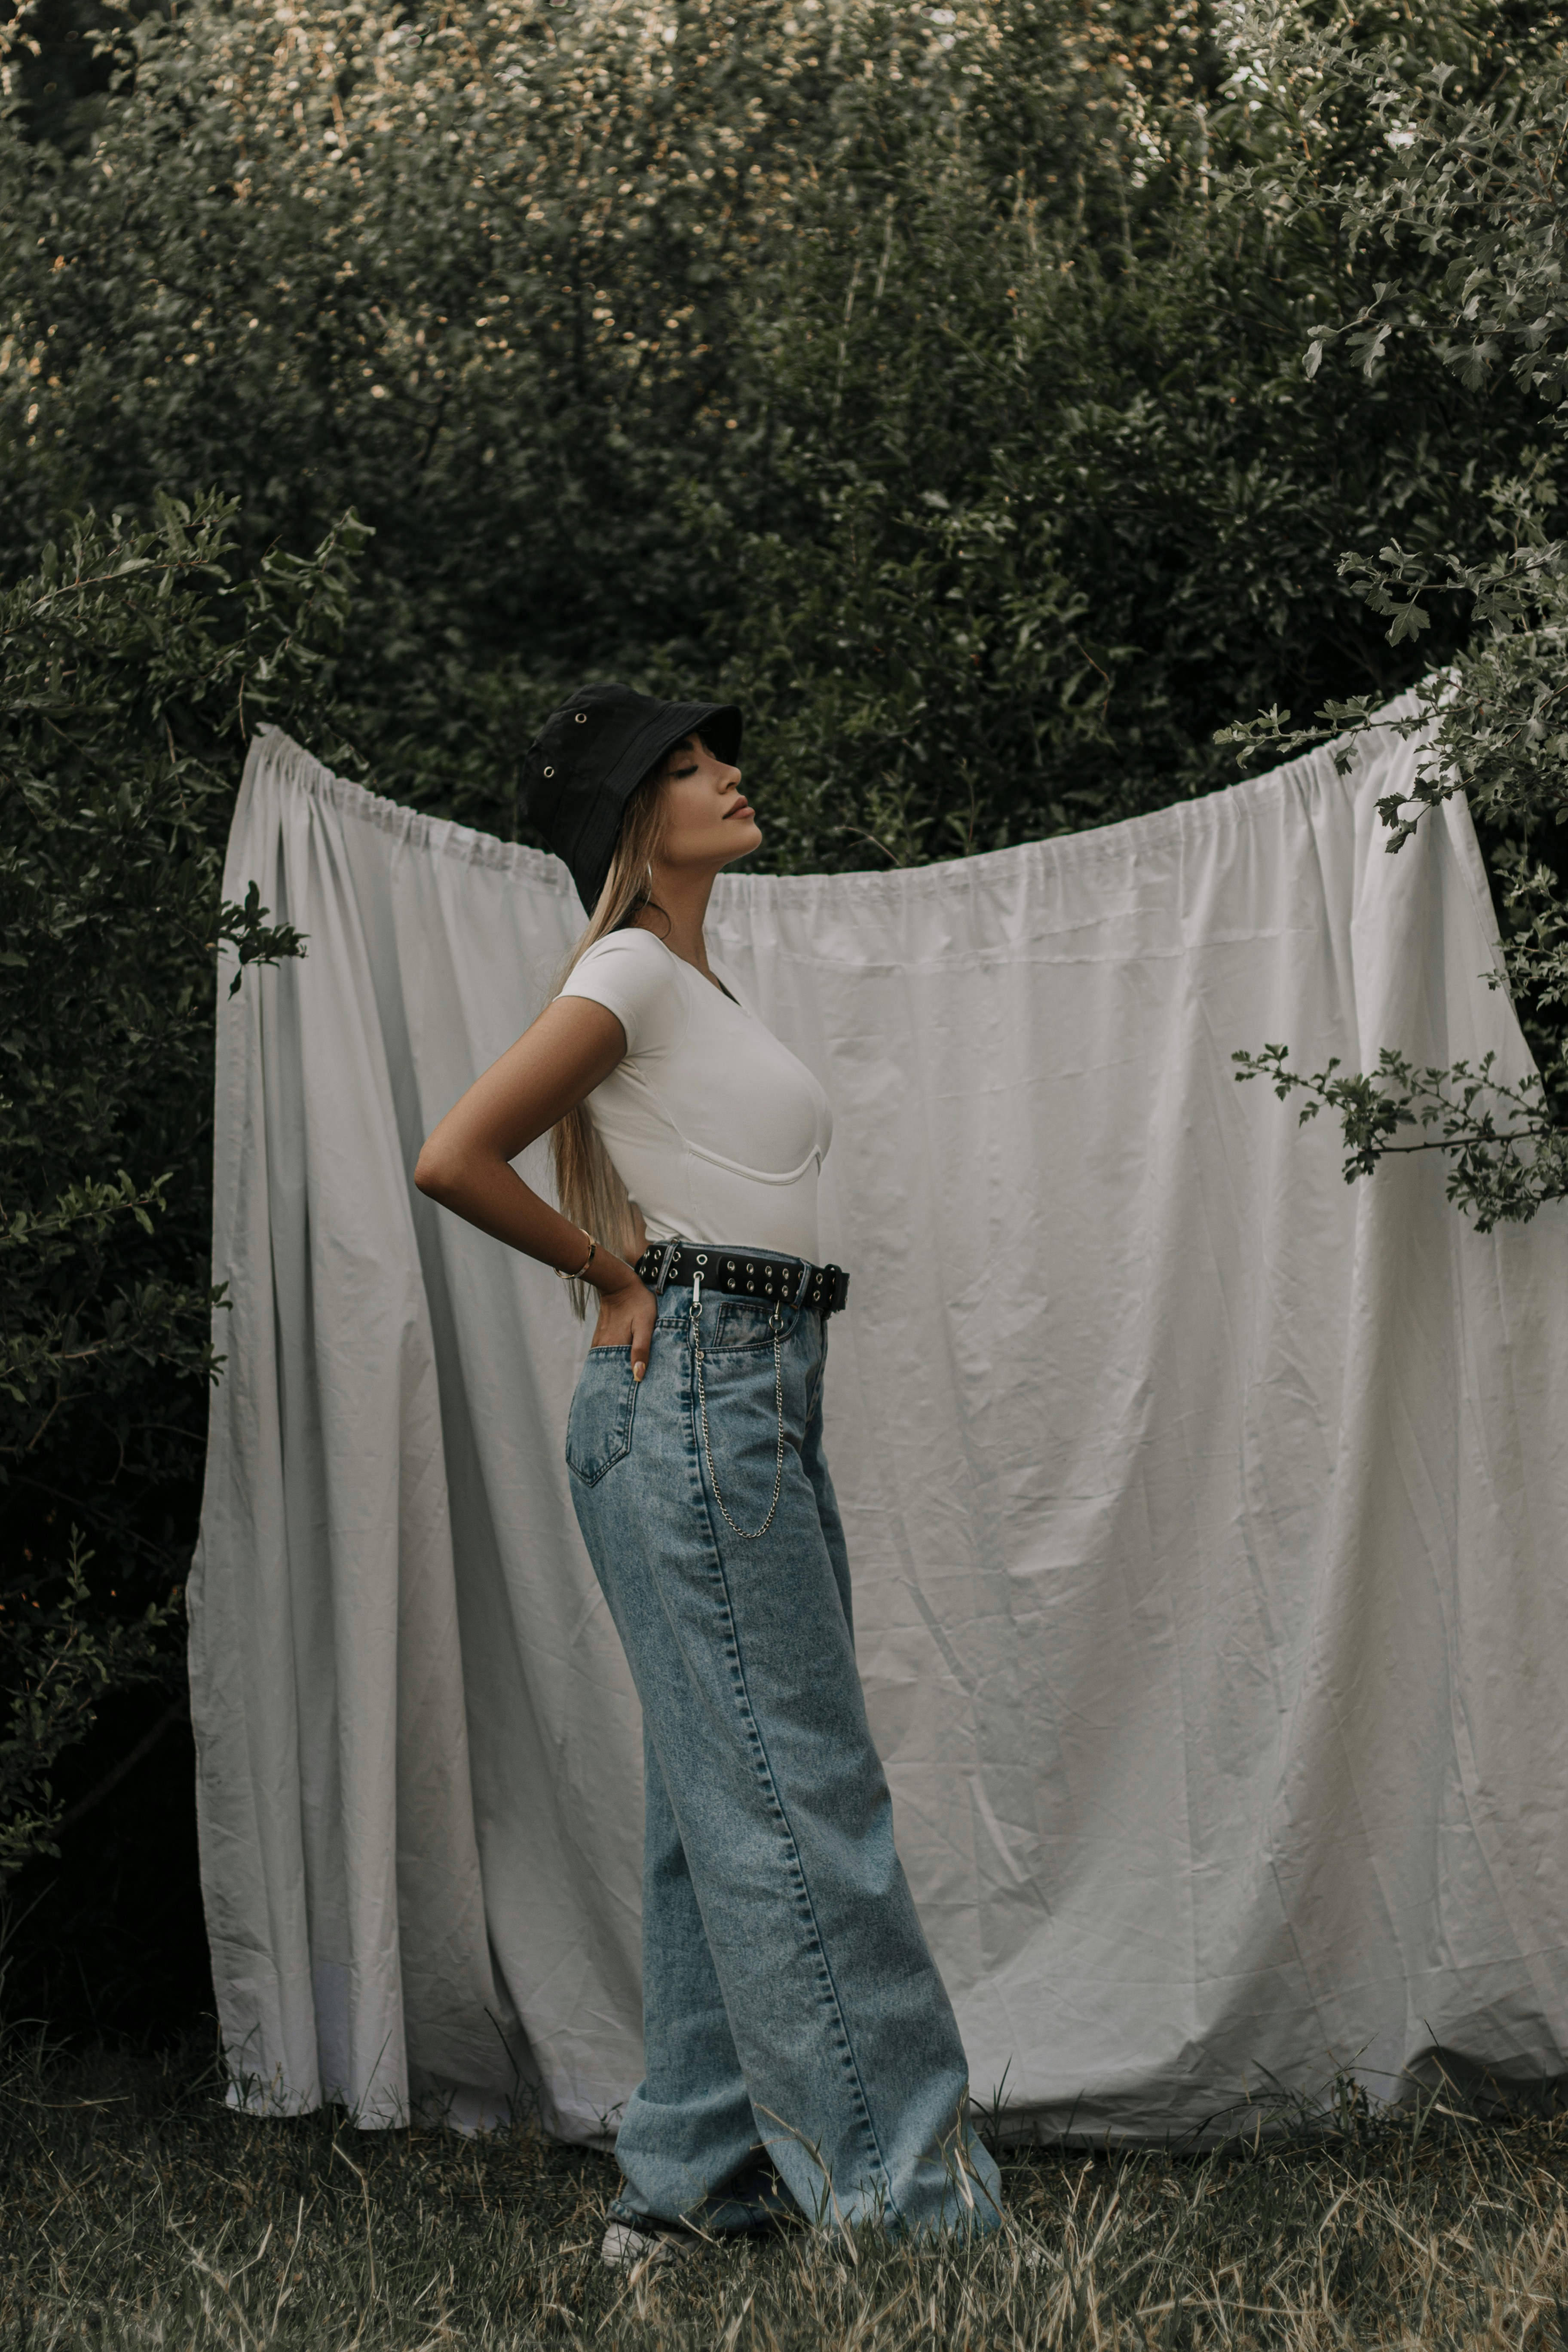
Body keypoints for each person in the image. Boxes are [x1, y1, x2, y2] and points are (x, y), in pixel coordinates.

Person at [415, 683, 1002, 2261]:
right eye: (684, 768)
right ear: (631, 823)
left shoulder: (690, 982)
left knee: (717, 1800)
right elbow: (456, 1154)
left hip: (748, 1384)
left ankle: (690, 2193)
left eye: (717, 753)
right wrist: (613, 1276)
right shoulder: (624, 968)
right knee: (802, 1796)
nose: (728, 773)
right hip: (701, 1379)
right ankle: (906, 2213)